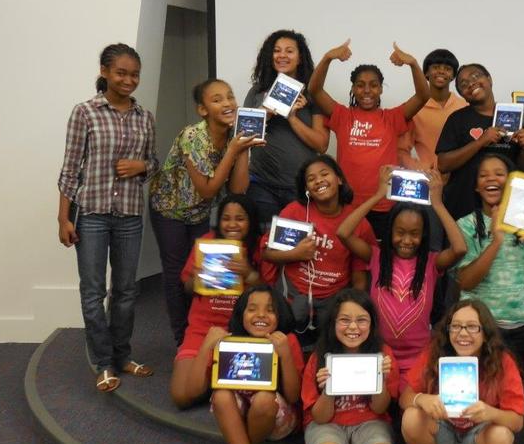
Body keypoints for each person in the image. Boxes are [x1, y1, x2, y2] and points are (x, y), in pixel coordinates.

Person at [57, 43, 159, 393]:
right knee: (93, 291)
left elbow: (154, 163)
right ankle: (102, 362)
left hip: (130, 214)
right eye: (121, 73)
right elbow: (70, 171)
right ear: (104, 71)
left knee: (126, 291)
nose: (129, 80)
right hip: (92, 215)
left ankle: (122, 356)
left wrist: (142, 166)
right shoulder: (85, 112)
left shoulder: (145, 117)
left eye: (134, 74)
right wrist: (63, 219)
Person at [149, 79, 263, 345]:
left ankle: (200, 331)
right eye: (217, 99)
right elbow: (208, 191)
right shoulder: (192, 136)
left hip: (199, 214)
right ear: (203, 110)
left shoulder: (233, 135)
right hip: (170, 211)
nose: (227, 103)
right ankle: (183, 339)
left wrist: (243, 150)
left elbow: (236, 191)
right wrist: (234, 149)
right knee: (178, 275)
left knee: (202, 273)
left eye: (230, 97)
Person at [336, 165, 467, 389]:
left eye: (415, 234)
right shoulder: (375, 256)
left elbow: (460, 248)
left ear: (423, 236)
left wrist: (437, 203)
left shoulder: (431, 262)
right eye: (400, 232)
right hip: (379, 353)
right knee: (380, 409)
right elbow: (343, 232)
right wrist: (379, 195)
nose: (407, 240)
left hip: (419, 357)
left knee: (410, 409)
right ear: (389, 232)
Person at [400, 300, 524, 444]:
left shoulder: (503, 362)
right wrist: (421, 399)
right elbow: (405, 398)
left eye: (472, 326)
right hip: (442, 432)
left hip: (478, 438)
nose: (462, 333)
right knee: (411, 417)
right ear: (447, 330)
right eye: (455, 326)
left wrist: (490, 412)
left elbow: (517, 422)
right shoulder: (435, 353)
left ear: (485, 332)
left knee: (502, 436)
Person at [308, 39, 430, 240]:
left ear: (381, 89)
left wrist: (413, 63)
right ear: (353, 89)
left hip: (383, 203)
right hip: (347, 203)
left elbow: (423, 95)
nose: (367, 91)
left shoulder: (392, 118)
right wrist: (328, 57)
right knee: (347, 257)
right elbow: (315, 90)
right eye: (360, 85)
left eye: (374, 85)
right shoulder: (342, 116)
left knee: (376, 258)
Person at [455, 154, 524, 376]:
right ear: (476, 186)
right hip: (478, 324)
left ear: (512, 183)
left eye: (499, 174)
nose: (491, 179)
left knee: (515, 384)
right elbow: (465, 281)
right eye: (483, 175)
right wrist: (496, 241)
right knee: (478, 384)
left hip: (521, 323)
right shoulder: (465, 224)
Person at [296, 289, 403, 444]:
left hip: (370, 419)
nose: (353, 327)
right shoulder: (320, 357)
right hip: (328, 422)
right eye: (344, 320)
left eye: (361, 320)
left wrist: (381, 380)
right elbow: (320, 416)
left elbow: (380, 407)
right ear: (333, 324)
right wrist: (328, 391)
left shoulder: (383, 355)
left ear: (372, 324)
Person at [261, 155, 376, 347]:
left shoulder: (357, 222)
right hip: (293, 296)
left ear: (339, 179)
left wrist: (352, 311)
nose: (319, 181)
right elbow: (267, 253)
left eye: (324, 174)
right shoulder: (295, 211)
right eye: (311, 179)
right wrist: (295, 255)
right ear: (306, 189)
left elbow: (360, 276)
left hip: (334, 303)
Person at [208, 285, 304, 444]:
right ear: (241, 314)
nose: (261, 315)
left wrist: (286, 355)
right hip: (242, 416)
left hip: (278, 418)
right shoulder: (231, 341)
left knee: (262, 398)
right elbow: (220, 381)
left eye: (270, 310)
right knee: (221, 394)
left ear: (280, 315)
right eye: (252, 309)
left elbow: (293, 395)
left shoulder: (286, 341)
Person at [169, 194, 262, 409]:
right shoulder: (207, 243)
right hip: (203, 330)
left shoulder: (259, 248)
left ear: (251, 221)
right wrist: (197, 278)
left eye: (240, 218)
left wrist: (249, 273)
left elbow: (269, 295)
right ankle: (216, 376)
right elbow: (187, 287)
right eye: (226, 218)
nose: (232, 224)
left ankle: (215, 377)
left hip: (243, 331)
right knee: (181, 396)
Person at [242, 30, 329, 227]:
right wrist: (271, 108)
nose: (282, 55)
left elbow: (321, 144)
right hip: (261, 183)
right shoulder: (257, 92)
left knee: (298, 244)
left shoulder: (314, 94)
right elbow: (244, 134)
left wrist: (292, 117)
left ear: (300, 58)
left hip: (300, 186)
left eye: (289, 51)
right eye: (277, 51)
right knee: (265, 244)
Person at [436, 63, 524, 222]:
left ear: (489, 79)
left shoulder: (513, 115)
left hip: (505, 208)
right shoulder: (457, 119)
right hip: (462, 207)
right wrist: (480, 142)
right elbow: (443, 164)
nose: (471, 83)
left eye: (476, 76)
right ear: (464, 96)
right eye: (464, 84)